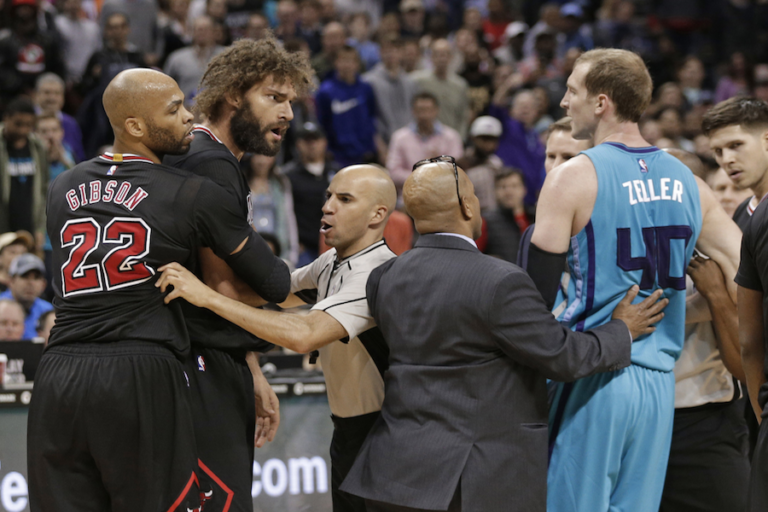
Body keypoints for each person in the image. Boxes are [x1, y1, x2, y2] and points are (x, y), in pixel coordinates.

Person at [334, 157, 668, 512]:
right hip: (470, 481)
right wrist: (622, 330)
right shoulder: (500, 280)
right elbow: (562, 356)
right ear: (466, 205)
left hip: (390, 473)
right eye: (476, 195)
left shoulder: (384, 277)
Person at [27, 68, 290, 511]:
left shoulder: (61, 187)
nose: (190, 117)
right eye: (174, 110)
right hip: (140, 370)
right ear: (134, 127)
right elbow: (276, 282)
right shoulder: (193, 193)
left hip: (58, 374)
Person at [528, 49, 741, 512]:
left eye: (572, 91)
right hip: (660, 383)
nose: (564, 102)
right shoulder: (688, 180)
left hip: (592, 371)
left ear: (601, 102)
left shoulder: (572, 177)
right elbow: (748, 263)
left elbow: (531, 300)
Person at [156, 164, 399, 512]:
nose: (328, 206)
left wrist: (208, 297)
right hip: (348, 431)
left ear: (378, 215)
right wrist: (214, 267)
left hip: (383, 432)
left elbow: (305, 335)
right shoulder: (332, 260)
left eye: (344, 199)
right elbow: (277, 292)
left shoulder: (378, 274)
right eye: (329, 195)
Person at [163, 38, 312, 511]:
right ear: (233, 95)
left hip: (190, 353)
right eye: (274, 97)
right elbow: (223, 282)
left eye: (291, 101)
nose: (288, 113)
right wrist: (250, 369)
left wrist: (251, 369)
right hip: (199, 361)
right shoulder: (212, 163)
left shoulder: (198, 155)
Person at [387, 92, 463, 202]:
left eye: (428, 110)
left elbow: (457, 170)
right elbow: (393, 171)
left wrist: (438, 164)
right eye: (420, 110)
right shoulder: (400, 137)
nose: (424, 115)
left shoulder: (451, 137)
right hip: (409, 196)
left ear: (436, 111)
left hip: (444, 195)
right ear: (413, 111)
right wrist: (421, 177)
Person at [283, 121, 339, 267]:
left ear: (324, 142)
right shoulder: (288, 176)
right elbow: (285, 213)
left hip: (335, 243)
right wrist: (293, 243)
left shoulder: (338, 173)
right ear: (298, 144)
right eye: (307, 140)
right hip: (304, 247)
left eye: (316, 139)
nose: (312, 144)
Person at [316, 45, 378, 167]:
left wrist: (371, 147)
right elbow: (321, 122)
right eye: (343, 60)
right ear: (336, 63)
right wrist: (328, 150)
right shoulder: (326, 91)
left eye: (350, 60)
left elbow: (371, 118)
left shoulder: (366, 89)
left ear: (357, 64)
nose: (347, 65)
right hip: (338, 157)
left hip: (364, 155)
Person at [0, 97, 49, 247]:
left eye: (28, 125)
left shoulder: (38, 148)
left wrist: (41, 228)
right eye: (18, 124)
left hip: (29, 228)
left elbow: (43, 190)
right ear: (6, 118)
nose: (23, 130)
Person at [362, 35, 418, 145]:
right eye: (387, 50)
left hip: (409, 142)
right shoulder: (368, 81)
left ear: (402, 53)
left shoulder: (410, 82)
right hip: (382, 143)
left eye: (396, 50)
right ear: (380, 52)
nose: (391, 54)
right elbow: (368, 118)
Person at [411, 39, 470, 138]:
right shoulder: (416, 80)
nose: (442, 59)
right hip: (422, 139)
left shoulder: (460, 85)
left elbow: (463, 116)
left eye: (445, 54)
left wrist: (460, 139)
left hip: (450, 141)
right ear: (431, 57)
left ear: (451, 57)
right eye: (438, 54)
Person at [163, 16, 224, 102]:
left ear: (214, 32)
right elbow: (166, 87)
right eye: (198, 29)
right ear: (191, 32)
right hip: (185, 110)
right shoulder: (177, 59)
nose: (201, 32)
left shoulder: (225, 56)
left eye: (205, 29)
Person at [484, 169, 535, 263]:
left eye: (514, 186)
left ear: (524, 189)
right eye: (503, 187)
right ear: (495, 191)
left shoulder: (536, 218)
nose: (508, 192)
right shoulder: (486, 221)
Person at [34, 73, 86, 162]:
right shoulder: (29, 120)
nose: (52, 98)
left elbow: (79, 158)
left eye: (57, 93)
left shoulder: (71, 124)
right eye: (47, 92)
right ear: (36, 95)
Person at [1, 253, 52, 340]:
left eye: (36, 278)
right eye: (24, 276)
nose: (31, 283)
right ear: (11, 281)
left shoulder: (47, 311)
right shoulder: (0, 305)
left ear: (44, 284)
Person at [459, 115, 504, 212]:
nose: (488, 144)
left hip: (495, 216)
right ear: (473, 138)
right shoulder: (462, 163)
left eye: (492, 140)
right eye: (484, 139)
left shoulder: (497, 164)